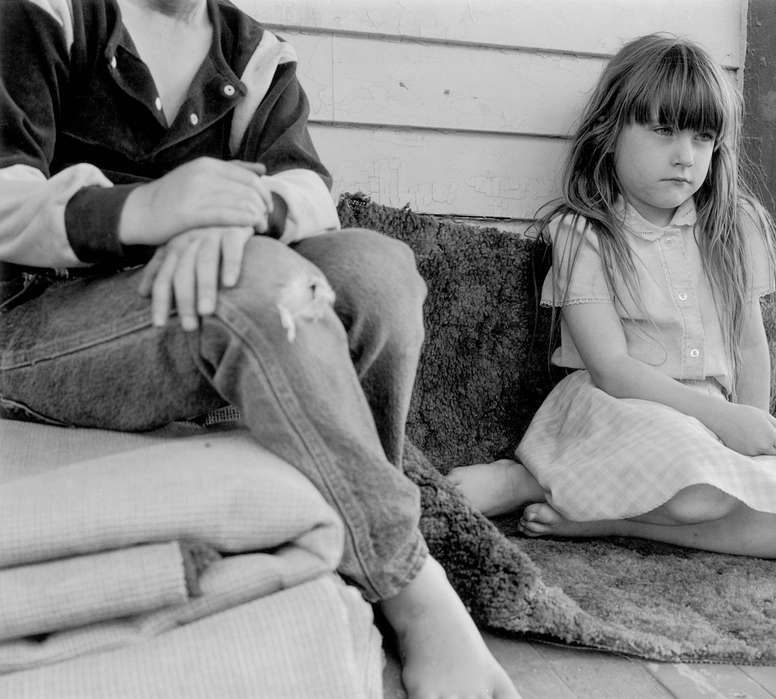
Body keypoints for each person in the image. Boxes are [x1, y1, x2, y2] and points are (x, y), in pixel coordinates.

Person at [0, 1, 518, 696]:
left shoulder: (255, 56)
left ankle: (347, 510)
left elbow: (306, 188)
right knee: (257, 283)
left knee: (379, 273)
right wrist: (148, 212)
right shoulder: (46, 16)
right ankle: (406, 578)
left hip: (186, 299)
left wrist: (242, 210)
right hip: (38, 327)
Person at [449, 34, 776, 558]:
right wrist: (720, 422)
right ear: (609, 133)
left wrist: (752, 436)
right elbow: (611, 369)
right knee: (700, 494)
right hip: (621, 412)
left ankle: (608, 520)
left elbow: (749, 349)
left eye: (701, 137)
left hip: (710, 428)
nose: (684, 156)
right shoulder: (585, 235)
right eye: (664, 131)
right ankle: (539, 479)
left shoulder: (735, 227)